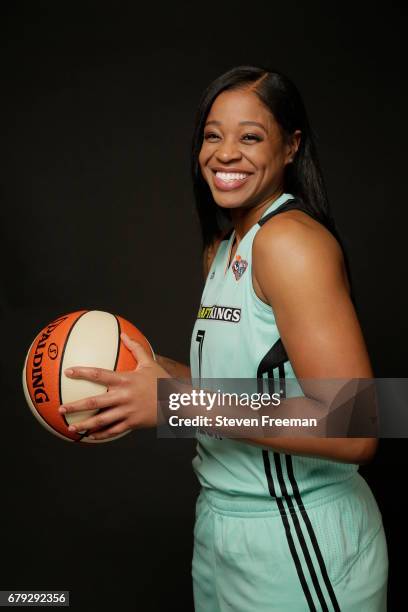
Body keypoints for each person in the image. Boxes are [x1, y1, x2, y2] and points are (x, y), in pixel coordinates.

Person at [58, 66, 388, 611]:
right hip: (221, 523)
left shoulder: (290, 243)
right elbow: (250, 388)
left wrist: (177, 404)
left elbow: (357, 422)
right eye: (213, 135)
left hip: (295, 529)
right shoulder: (226, 246)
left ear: (291, 147)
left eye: (250, 136)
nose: (225, 153)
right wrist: (140, 371)